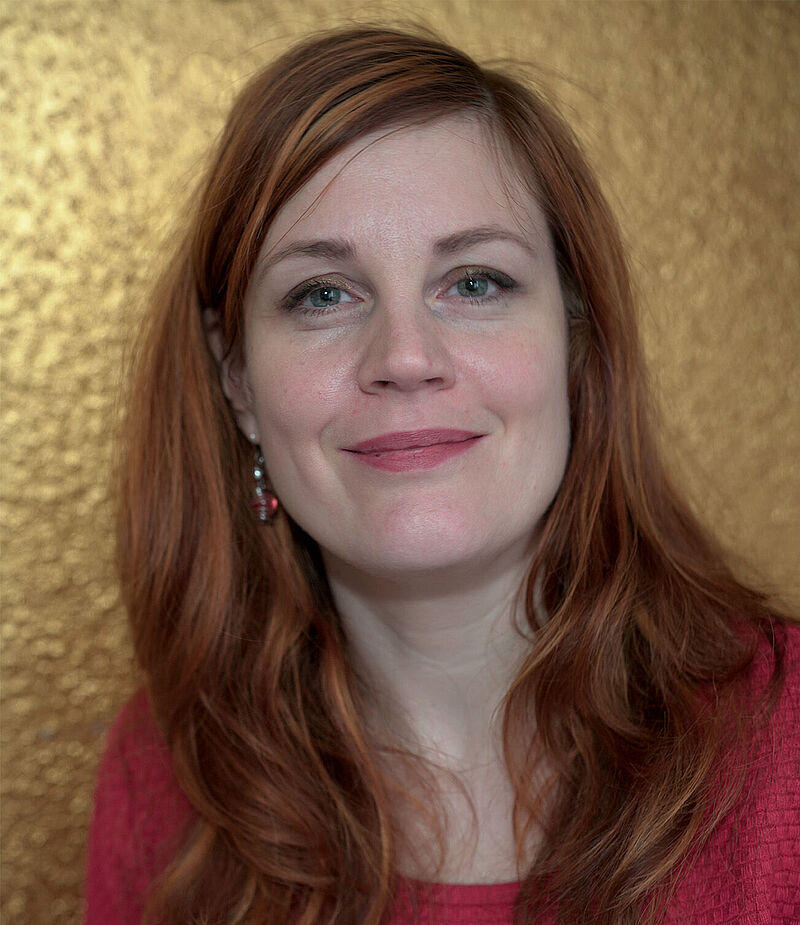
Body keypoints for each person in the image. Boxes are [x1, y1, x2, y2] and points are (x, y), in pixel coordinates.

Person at [85, 26, 799, 925]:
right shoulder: (163, 774)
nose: (405, 357)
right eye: (322, 294)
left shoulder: (788, 746)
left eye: (474, 282)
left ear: (576, 342)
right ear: (238, 382)